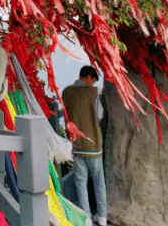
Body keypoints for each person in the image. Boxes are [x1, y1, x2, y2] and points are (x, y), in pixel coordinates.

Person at [62, 66, 107, 226]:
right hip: (93, 144)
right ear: (88, 77)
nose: (92, 84)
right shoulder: (93, 93)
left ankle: (86, 217)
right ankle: (102, 217)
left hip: (76, 144)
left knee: (80, 181)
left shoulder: (66, 92)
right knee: (98, 181)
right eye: (93, 81)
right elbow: (100, 115)